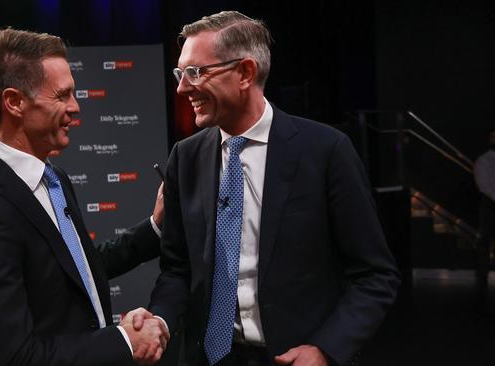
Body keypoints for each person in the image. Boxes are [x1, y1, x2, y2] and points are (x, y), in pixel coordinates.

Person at [144, 11, 400, 366]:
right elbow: (177, 269)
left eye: (196, 72)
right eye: (181, 73)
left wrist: (326, 350)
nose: (182, 87)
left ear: (245, 73)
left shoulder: (326, 151)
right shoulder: (184, 158)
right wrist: (160, 319)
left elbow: (375, 275)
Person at [0, 28, 168, 366]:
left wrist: (154, 227)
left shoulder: (54, 179)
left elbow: (77, 268)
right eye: (62, 95)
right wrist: (123, 341)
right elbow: (13, 358)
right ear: (14, 102)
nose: (75, 107)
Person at [474, 129, 495, 311]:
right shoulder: (483, 160)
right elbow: (484, 185)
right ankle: (482, 277)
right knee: (485, 240)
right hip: (490, 206)